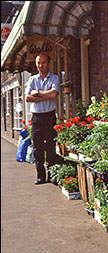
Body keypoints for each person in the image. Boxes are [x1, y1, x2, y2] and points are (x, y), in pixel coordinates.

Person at [25, 53, 60, 184]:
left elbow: (54, 94)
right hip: (37, 118)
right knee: (37, 148)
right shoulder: (32, 80)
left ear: (48, 64)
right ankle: (40, 176)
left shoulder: (54, 78)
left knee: (50, 146)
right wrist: (47, 94)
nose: (41, 66)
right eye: (38, 63)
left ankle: (52, 175)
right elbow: (28, 98)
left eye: (43, 63)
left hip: (49, 116)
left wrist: (38, 93)